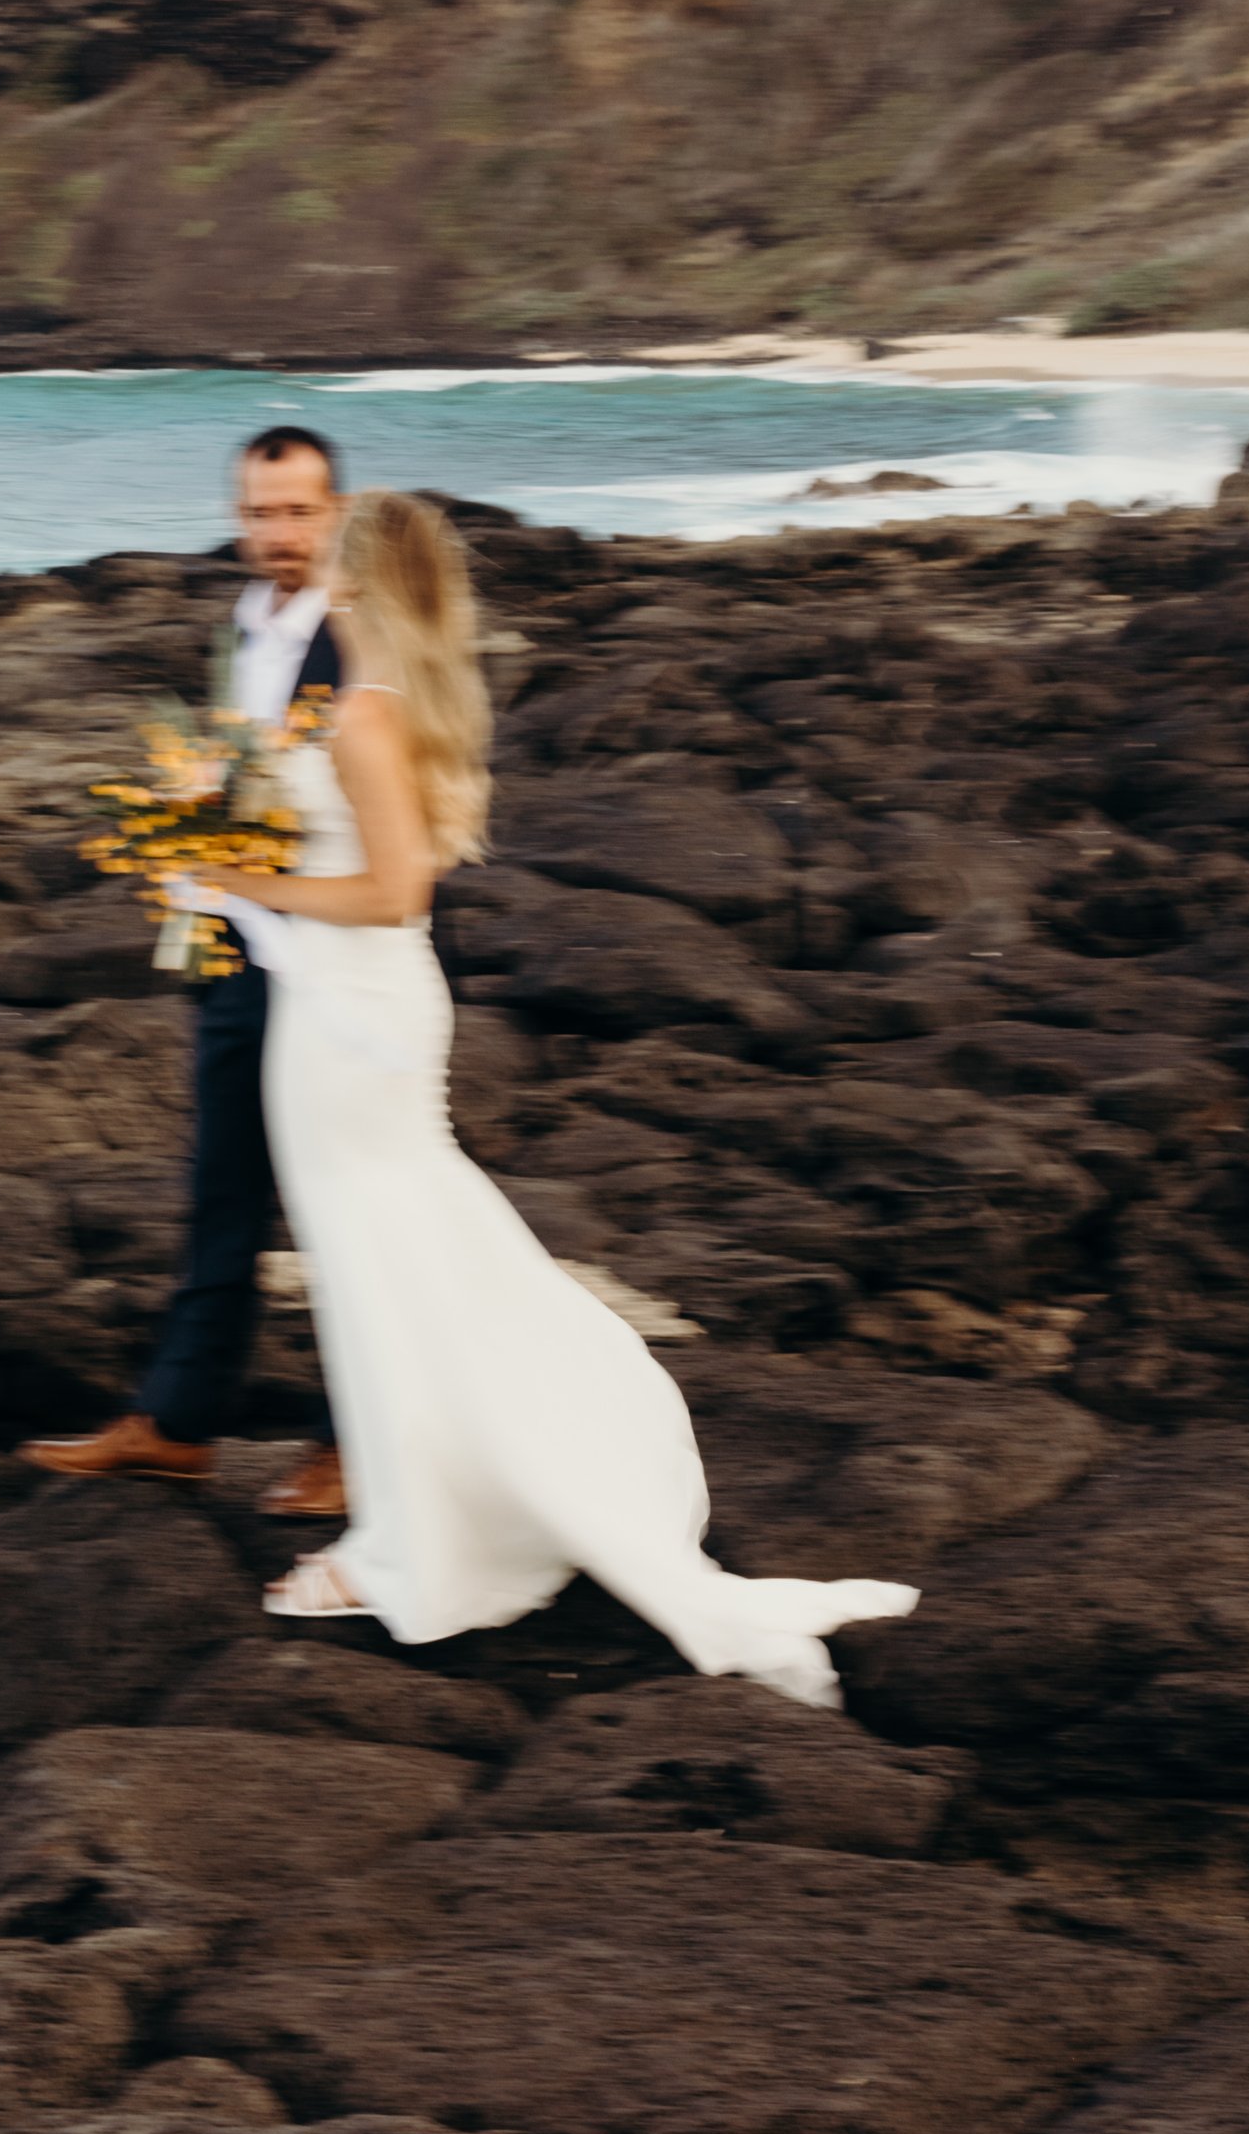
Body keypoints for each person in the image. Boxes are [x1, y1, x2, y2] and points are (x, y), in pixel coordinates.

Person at [176, 488, 918, 1703]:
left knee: (380, 1262)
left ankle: (426, 1539)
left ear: (354, 583)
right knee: (402, 1253)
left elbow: (393, 892)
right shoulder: (386, 700)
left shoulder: (362, 715)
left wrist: (235, 875)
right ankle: (451, 1495)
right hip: (357, 1010)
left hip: (349, 1021)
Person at [21, 423, 348, 1519]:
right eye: (258, 512)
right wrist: (183, 856)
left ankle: (351, 1441)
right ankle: (175, 1424)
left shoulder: (362, 640)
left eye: (297, 511)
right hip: (234, 948)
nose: (276, 533)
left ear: (337, 513)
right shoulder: (245, 626)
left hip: (334, 962)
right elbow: (232, 773)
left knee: (340, 1207)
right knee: (220, 1195)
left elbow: (388, 814)